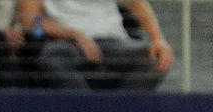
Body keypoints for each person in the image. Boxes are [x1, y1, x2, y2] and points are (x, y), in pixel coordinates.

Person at [17, 0, 172, 90]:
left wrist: (158, 38)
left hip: (113, 41)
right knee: (52, 57)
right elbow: (30, 21)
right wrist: (74, 35)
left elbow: (136, 3)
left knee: (154, 59)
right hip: (66, 44)